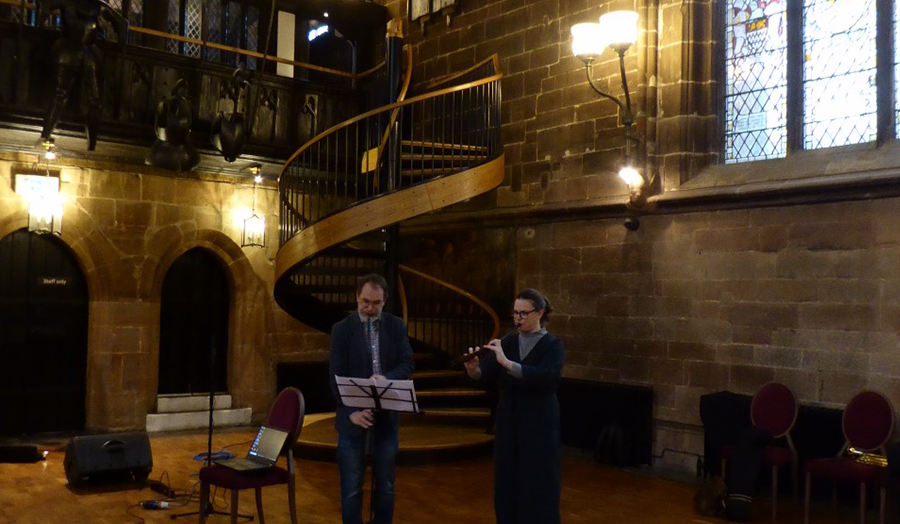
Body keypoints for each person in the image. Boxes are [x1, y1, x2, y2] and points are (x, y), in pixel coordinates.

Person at [464, 288, 565, 524]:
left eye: (523, 313)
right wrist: (473, 370)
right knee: (507, 478)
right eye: (515, 313)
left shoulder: (553, 345)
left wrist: (508, 364)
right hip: (510, 418)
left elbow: (547, 376)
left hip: (539, 420)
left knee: (538, 480)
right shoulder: (508, 341)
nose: (517, 318)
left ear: (539, 313)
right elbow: (485, 373)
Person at [329, 273, 415, 524]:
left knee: (386, 486)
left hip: (386, 419)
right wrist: (351, 413)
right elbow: (335, 376)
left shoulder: (396, 325)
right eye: (365, 301)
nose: (369, 308)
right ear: (357, 297)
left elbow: (407, 362)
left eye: (375, 303)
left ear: (385, 301)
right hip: (352, 419)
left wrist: (386, 378)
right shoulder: (342, 330)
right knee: (352, 489)